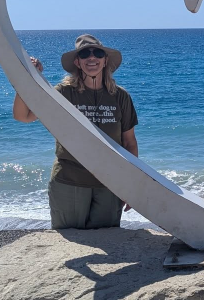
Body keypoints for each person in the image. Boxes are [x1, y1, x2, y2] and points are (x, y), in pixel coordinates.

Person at [12, 34, 138, 229]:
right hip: (69, 183)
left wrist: (131, 184)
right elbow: (23, 116)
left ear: (105, 60)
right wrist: (27, 77)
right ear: (77, 62)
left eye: (97, 53)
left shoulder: (120, 96)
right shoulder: (64, 93)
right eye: (85, 54)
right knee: (70, 243)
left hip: (110, 185)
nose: (92, 57)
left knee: (108, 241)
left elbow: (129, 143)